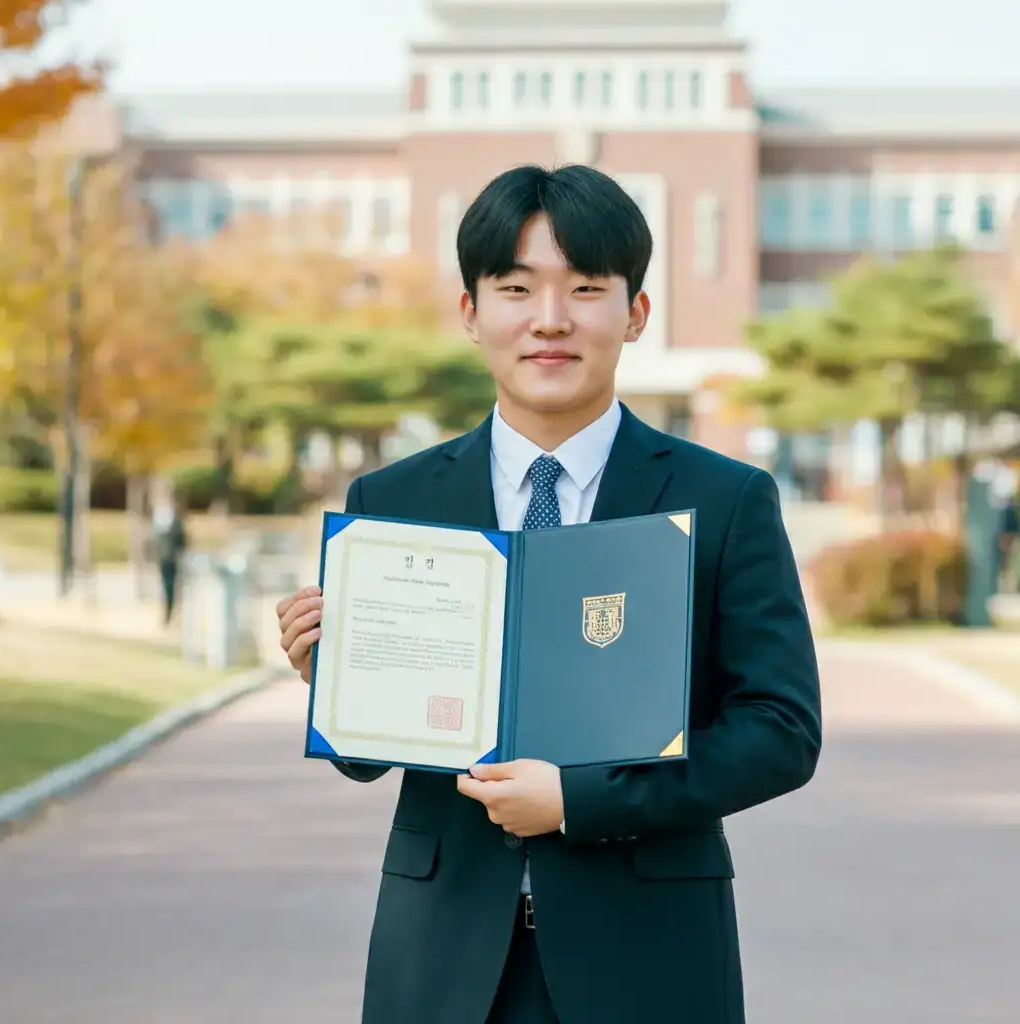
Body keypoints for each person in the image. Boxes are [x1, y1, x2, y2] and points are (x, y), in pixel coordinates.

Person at [276, 163, 822, 1024]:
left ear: (636, 313)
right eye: (516, 288)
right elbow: (368, 757)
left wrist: (583, 801)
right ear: (470, 311)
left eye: (586, 288)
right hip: (444, 955)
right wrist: (334, 678)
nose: (551, 320)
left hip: (649, 950)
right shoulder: (394, 500)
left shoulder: (724, 500)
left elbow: (780, 732)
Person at [152, 498, 187, 625]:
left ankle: (170, 613)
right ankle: (168, 613)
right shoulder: (163, 524)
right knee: (167, 586)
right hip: (165, 560)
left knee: (171, 586)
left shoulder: (176, 524)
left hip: (172, 560)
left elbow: (182, 543)